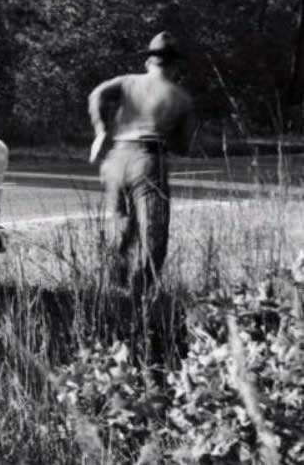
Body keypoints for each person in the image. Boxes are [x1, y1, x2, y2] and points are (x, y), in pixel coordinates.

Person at [87, 31, 198, 366]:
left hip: (116, 159)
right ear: (175, 64)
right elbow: (184, 146)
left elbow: (96, 94)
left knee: (122, 231)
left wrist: (101, 129)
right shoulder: (179, 96)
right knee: (154, 239)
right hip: (149, 159)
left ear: (149, 59)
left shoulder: (126, 81)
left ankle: (111, 295)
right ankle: (137, 303)